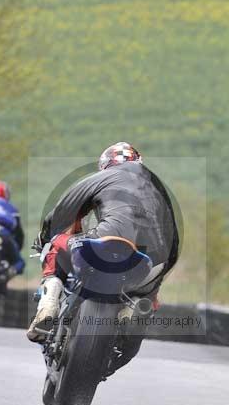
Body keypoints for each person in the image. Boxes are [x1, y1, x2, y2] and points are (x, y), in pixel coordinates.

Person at [27, 142, 179, 370]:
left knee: (57, 245)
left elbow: (61, 211)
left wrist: (45, 237)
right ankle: (133, 312)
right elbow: (174, 241)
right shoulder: (158, 189)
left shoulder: (102, 178)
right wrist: (159, 276)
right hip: (154, 260)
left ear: (106, 165)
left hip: (106, 242)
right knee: (148, 297)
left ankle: (48, 305)